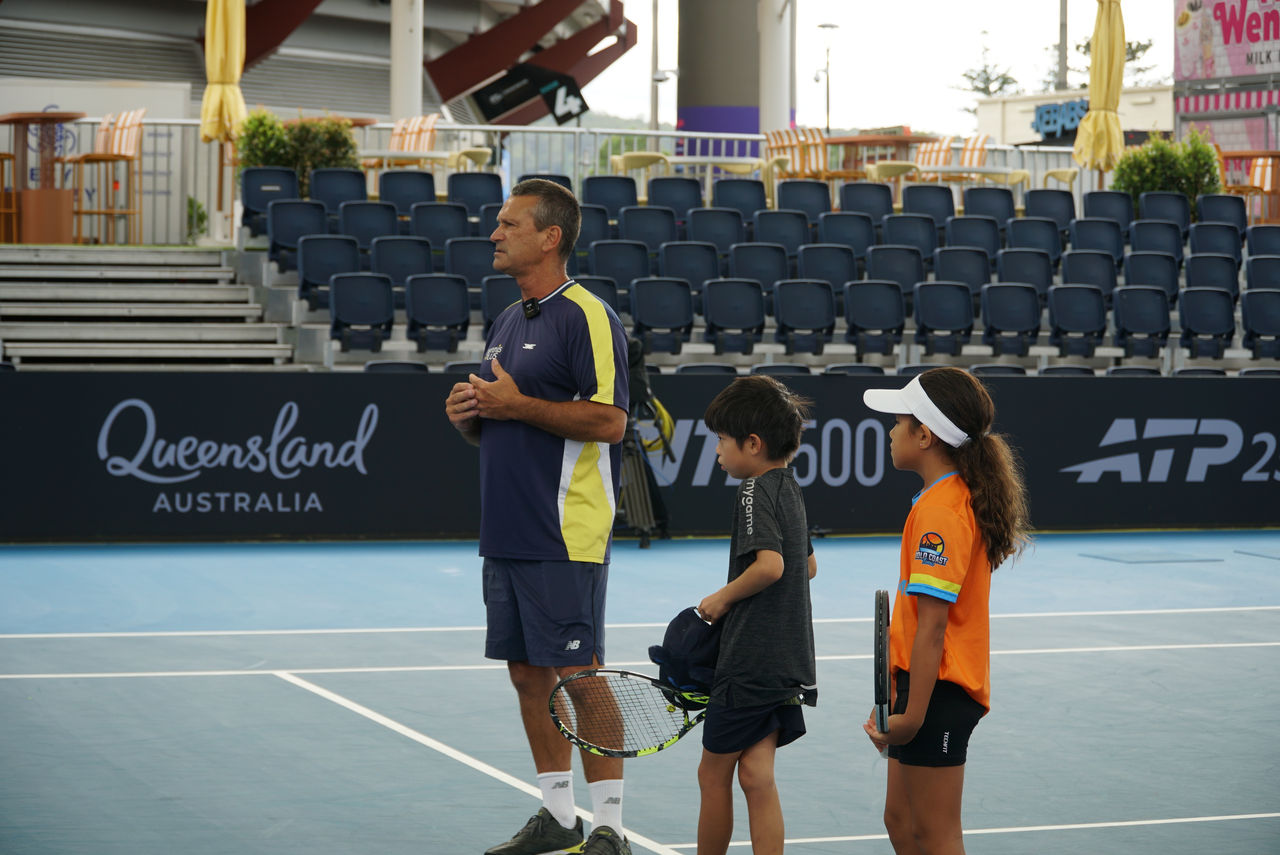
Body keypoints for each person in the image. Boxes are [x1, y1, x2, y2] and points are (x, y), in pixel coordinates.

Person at [444, 179, 631, 855]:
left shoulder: (588, 316)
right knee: (527, 672)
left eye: (509, 224)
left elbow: (610, 421)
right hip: (507, 526)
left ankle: (610, 827)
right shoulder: (506, 318)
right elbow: (509, 420)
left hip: (564, 528)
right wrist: (471, 417)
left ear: (550, 238)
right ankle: (558, 815)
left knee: (581, 674)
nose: (495, 234)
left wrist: (515, 406)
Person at [861, 367, 1030, 855]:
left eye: (899, 422)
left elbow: (934, 628)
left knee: (935, 833)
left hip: (940, 691)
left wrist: (912, 715)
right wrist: (894, 691)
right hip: (919, 683)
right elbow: (916, 620)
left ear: (925, 436)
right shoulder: (937, 501)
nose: (891, 432)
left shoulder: (941, 513)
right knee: (900, 820)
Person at [694, 375, 818, 855]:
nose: (718, 451)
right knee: (756, 773)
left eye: (722, 440)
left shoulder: (752, 491)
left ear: (752, 443)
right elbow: (807, 566)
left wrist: (722, 599)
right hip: (788, 661)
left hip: (748, 662)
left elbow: (771, 566)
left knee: (712, 774)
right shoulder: (791, 488)